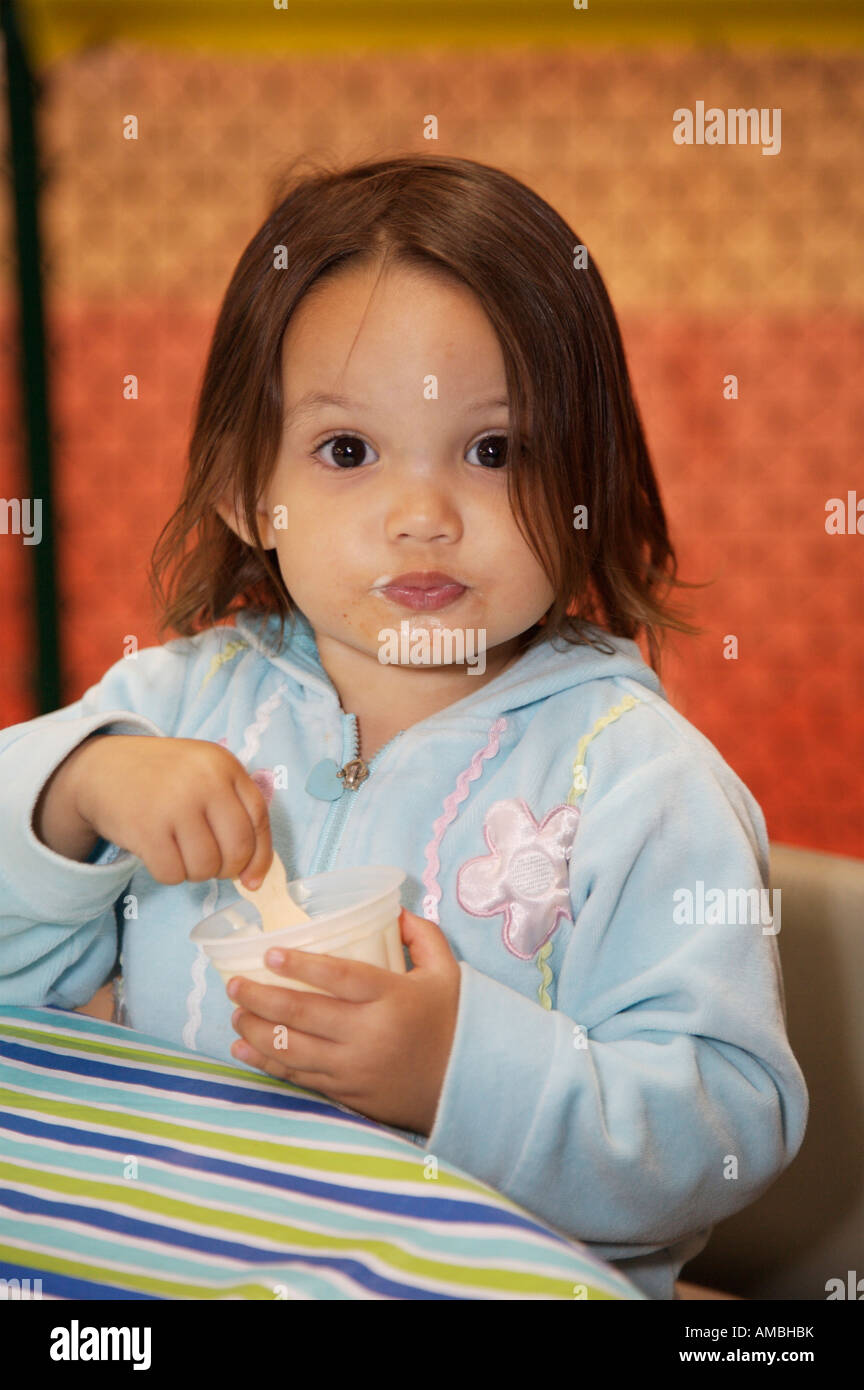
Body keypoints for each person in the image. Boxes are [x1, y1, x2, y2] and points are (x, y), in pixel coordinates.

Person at [0, 154, 808, 1300]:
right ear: (244, 485)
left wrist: (455, 1070)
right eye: (347, 452)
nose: (422, 516)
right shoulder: (171, 706)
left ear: (593, 476)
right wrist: (72, 793)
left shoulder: (637, 781)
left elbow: (729, 1121)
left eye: (496, 450)